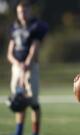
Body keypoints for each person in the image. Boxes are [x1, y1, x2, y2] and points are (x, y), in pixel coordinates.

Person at [7, 2, 48, 135]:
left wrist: (26, 64)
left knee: (33, 102)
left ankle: (35, 133)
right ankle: (18, 131)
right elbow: (9, 53)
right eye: (20, 12)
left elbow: (33, 48)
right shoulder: (15, 27)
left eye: (25, 11)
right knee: (19, 100)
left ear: (30, 11)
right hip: (17, 67)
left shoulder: (35, 26)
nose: (22, 14)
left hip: (30, 67)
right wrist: (17, 64)